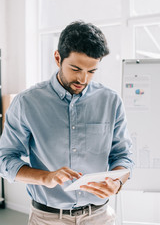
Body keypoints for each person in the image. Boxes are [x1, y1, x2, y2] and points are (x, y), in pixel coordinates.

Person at [0, 21, 133, 225]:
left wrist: (117, 182)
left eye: (91, 71)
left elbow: (123, 156)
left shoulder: (111, 101)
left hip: (99, 216)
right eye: (75, 68)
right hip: (47, 218)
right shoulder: (26, 103)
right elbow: (5, 159)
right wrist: (46, 177)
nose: (83, 78)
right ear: (57, 58)